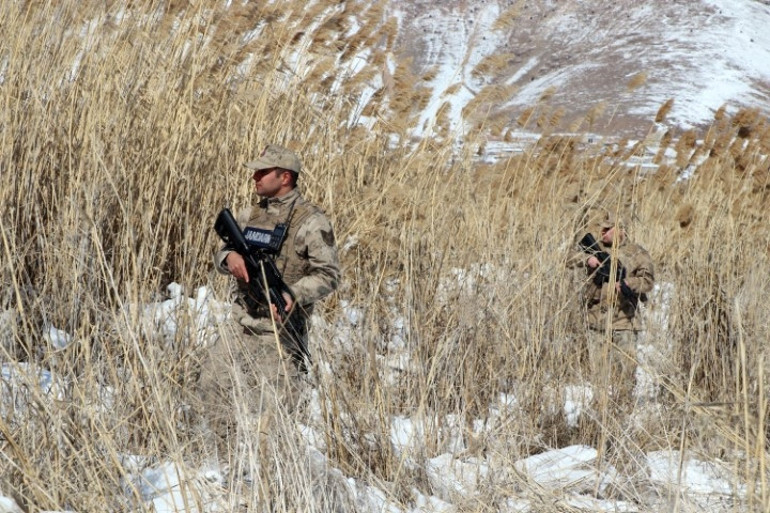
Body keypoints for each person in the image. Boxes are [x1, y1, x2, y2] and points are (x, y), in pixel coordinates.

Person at [198, 144, 340, 454]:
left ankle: (270, 472)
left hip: (281, 332)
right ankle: (228, 460)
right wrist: (229, 258)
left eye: (262, 172)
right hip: (242, 323)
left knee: (275, 418)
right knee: (211, 386)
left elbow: (329, 275)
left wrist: (293, 293)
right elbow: (223, 251)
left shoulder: (311, 221)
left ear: (285, 177)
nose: (255, 177)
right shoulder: (251, 215)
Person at [567, 211, 654, 408]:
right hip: (596, 318)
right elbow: (569, 258)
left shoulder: (636, 253)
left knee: (627, 368)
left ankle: (624, 405)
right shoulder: (595, 250)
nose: (603, 232)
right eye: (602, 229)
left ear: (621, 230)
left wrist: (627, 284)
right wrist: (587, 260)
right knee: (598, 370)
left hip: (624, 319)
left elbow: (647, 281)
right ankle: (600, 405)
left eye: (608, 229)